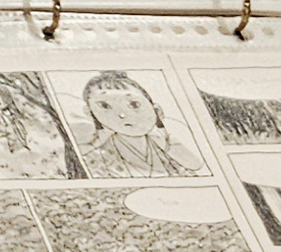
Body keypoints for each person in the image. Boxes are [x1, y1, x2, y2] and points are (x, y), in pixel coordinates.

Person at [66, 69, 195, 180]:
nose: (122, 114)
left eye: (134, 104)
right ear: (89, 113)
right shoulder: (97, 155)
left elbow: (196, 166)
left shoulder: (166, 145)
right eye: (105, 106)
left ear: (156, 110)